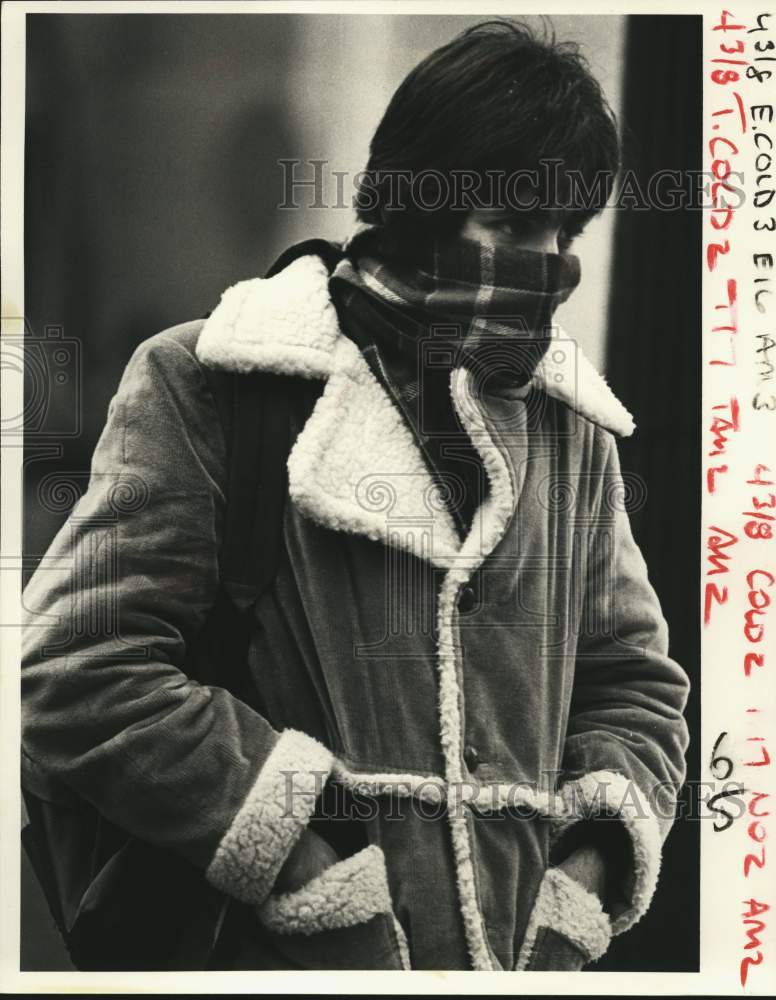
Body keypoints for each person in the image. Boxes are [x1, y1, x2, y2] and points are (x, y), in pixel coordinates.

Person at [21, 19, 691, 972]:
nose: (543, 263)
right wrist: (303, 861)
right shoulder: (216, 381)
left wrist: (576, 896)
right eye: (509, 226)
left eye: (563, 233)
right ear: (418, 206)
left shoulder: (569, 430)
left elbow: (636, 688)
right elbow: (76, 670)